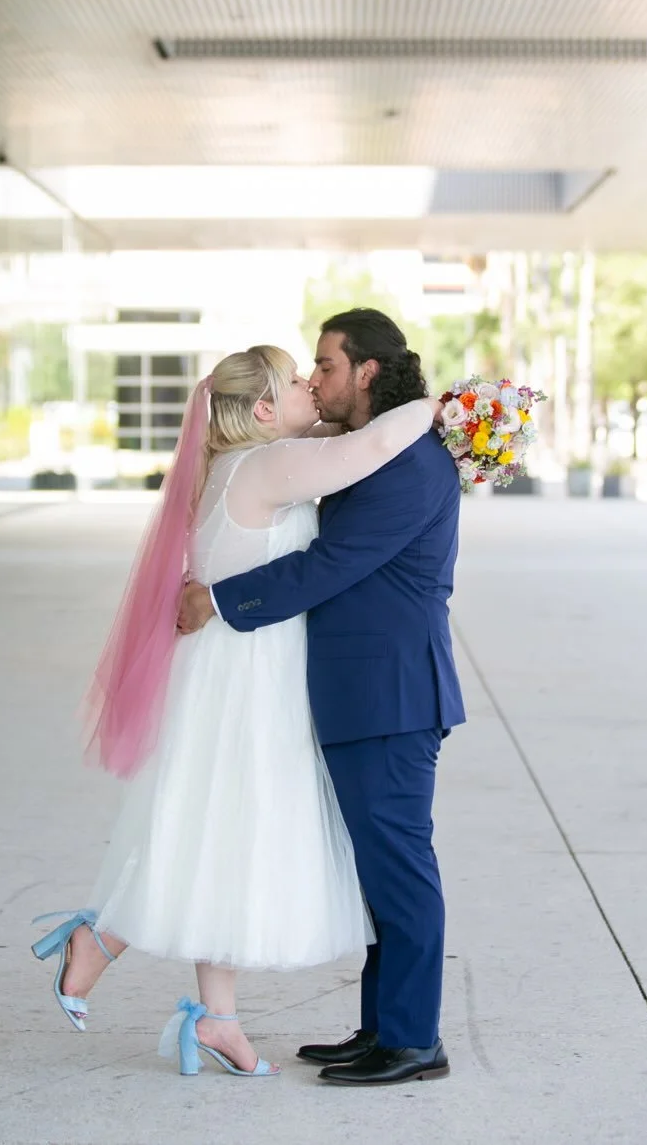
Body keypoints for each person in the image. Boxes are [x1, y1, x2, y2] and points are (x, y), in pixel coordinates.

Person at [31, 343, 439, 1079]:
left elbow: (331, 435)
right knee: (215, 830)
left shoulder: (236, 462)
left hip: (231, 670)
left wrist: (324, 409)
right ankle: (101, 939)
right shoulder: (267, 467)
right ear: (260, 407)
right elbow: (372, 443)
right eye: (294, 379)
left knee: (221, 834)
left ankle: (216, 1015)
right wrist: (449, 407)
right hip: (247, 677)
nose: (310, 386)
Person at [178, 309, 464, 1087]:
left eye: (327, 365)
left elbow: (330, 564)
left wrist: (220, 599)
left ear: (367, 370)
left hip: (393, 695)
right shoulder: (366, 451)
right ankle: (381, 1028)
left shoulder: (410, 463)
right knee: (380, 873)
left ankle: (413, 1040)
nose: (317, 378)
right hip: (362, 694)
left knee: (401, 869)